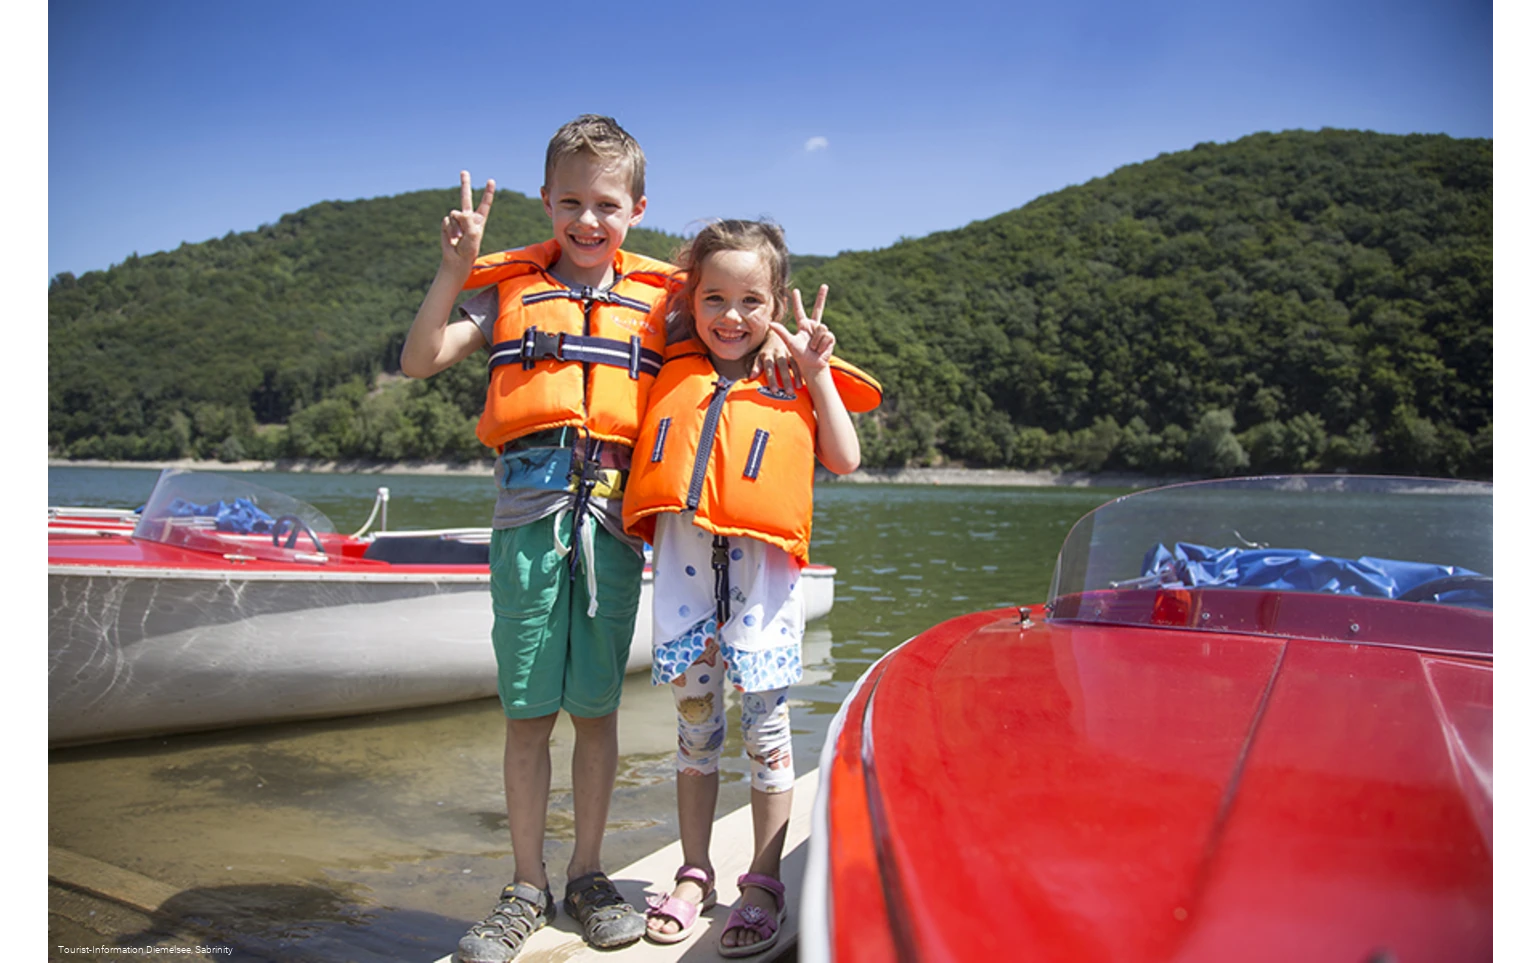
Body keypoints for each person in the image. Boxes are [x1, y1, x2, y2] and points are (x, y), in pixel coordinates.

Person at [401, 117, 791, 963]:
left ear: (636, 209)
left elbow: (734, 340)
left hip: (614, 519)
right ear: (546, 202)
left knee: (597, 707)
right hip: (529, 514)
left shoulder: (662, 301)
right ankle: (524, 884)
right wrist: (453, 268)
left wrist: (795, 357)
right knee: (527, 710)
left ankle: (585, 875)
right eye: (570, 202)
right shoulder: (504, 286)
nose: (587, 220)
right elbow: (422, 356)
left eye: (605, 205)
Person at [621, 219, 882, 957]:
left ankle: (763, 878)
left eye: (751, 301)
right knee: (694, 737)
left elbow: (846, 456)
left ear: (776, 304)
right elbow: (650, 284)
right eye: (715, 298)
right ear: (692, 297)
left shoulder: (790, 372)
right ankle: (696, 870)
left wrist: (817, 368)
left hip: (762, 601)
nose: (731, 316)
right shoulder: (671, 358)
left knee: (767, 737)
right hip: (686, 593)